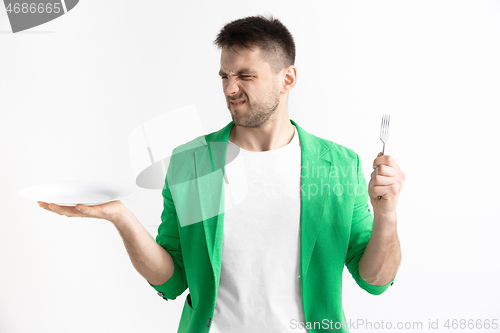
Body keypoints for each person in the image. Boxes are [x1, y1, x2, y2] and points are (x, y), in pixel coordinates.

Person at [38, 15, 405, 333]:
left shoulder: (339, 165)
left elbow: (374, 278)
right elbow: (172, 279)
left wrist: (386, 214)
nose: (231, 89)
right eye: (225, 76)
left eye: (246, 75)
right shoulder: (192, 163)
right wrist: (120, 217)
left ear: (287, 78)